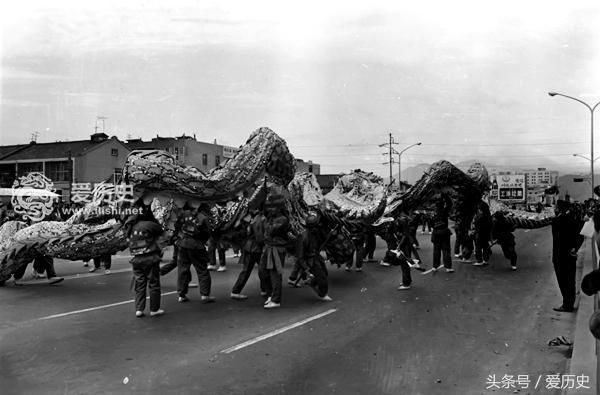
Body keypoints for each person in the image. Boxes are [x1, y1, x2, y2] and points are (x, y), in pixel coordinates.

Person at [127, 212, 165, 317]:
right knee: (153, 283)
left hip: (136, 260)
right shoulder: (148, 224)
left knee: (140, 284)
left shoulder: (129, 226)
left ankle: (139, 309)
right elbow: (161, 231)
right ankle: (154, 309)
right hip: (149, 258)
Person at [176, 204, 215, 304]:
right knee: (202, 270)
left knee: (183, 270)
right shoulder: (203, 218)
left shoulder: (184, 214)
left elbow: (177, 226)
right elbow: (207, 233)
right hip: (196, 246)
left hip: (183, 244)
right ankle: (205, 295)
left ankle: (181, 295)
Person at [551, 200, 584, 312]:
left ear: (560, 209)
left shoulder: (558, 221)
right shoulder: (573, 219)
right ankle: (569, 302)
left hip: (561, 257)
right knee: (570, 280)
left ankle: (567, 304)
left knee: (564, 281)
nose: (554, 209)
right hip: (569, 256)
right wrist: (575, 248)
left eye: (556, 207)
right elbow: (580, 235)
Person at [259, 193, 291, 309]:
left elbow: (271, 231)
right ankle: (270, 294)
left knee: (275, 274)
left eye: (272, 207)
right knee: (262, 272)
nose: (270, 209)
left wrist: (268, 218)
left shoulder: (282, 219)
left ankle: (276, 299)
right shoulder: (271, 218)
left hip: (276, 249)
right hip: (267, 247)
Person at [295, 211, 333, 301]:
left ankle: (312, 282)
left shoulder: (316, 233)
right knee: (322, 278)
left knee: (325, 273)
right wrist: (306, 268)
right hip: (310, 261)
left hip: (316, 257)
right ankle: (322, 294)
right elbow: (300, 256)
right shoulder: (303, 237)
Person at [231, 209, 266, 300]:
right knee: (261, 269)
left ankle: (264, 289)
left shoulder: (245, 217)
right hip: (255, 248)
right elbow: (259, 236)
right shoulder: (259, 218)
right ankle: (236, 290)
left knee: (251, 270)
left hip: (248, 246)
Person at [427, 193, 454, 273]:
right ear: (443, 205)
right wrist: (444, 194)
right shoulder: (444, 212)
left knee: (436, 250)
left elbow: (430, 224)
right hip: (444, 233)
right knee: (446, 250)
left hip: (436, 233)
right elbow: (450, 203)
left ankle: (435, 266)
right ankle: (448, 267)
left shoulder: (432, 214)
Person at [472, 201, 493, 266]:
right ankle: (485, 260)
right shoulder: (489, 216)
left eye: (479, 209)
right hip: (486, 234)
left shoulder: (480, 217)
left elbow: (476, 225)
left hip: (480, 234)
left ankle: (479, 261)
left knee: (478, 247)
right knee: (485, 247)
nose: (479, 210)